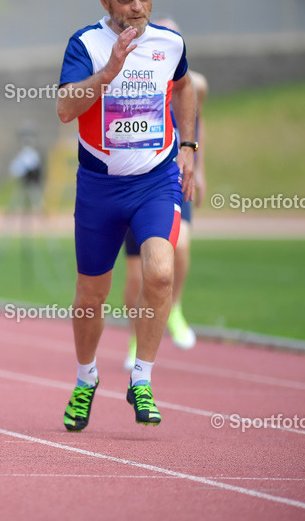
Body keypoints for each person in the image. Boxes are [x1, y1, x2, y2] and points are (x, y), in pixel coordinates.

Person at [56, 0, 197, 430]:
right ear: (104, 0)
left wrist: (190, 147)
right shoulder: (86, 44)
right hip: (99, 186)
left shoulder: (169, 42)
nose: (137, 6)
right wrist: (108, 72)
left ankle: (142, 378)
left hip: (155, 180)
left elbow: (184, 87)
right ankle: (85, 377)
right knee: (90, 295)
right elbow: (64, 109)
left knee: (159, 273)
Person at [121, 19, 208, 369]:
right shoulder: (135, 79)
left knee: (181, 246)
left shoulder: (195, 85)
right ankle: (135, 337)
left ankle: (174, 308)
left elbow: (200, 123)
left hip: (173, 177)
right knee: (135, 274)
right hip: (135, 181)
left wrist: (198, 167)